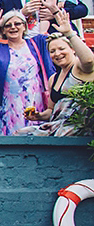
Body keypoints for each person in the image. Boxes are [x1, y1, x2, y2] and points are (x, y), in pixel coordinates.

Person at [0, 8, 55, 135]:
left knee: (36, 136)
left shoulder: (36, 43)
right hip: (8, 104)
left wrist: (53, 9)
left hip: (35, 101)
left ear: (24, 26)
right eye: (7, 25)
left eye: (17, 24)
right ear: (3, 30)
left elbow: (56, 41)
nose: (13, 27)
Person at [21, 8, 94, 136]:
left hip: (78, 127)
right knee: (21, 135)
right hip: (57, 125)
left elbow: (89, 60)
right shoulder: (53, 78)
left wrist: (69, 33)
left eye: (61, 49)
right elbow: (51, 110)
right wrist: (38, 116)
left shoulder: (79, 68)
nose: (57, 54)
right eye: (52, 51)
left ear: (72, 49)